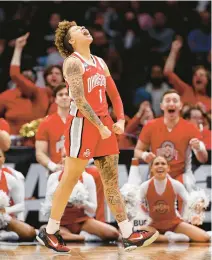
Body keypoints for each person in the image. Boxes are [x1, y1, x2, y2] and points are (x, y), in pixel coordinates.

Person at [36, 20, 158, 253]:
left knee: (111, 182)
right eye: (77, 30)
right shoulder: (72, 63)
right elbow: (79, 100)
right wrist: (99, 125)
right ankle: (50, 230)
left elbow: (114, 92)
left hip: (104, 125)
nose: (84, 29)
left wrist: (120, 119)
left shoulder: (100, 62)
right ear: (71, 41)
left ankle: (128, 233)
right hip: (82, 125)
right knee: (70, 178)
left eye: (83, 27)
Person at [36, 84, 106, 222]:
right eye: (60, 94)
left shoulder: (84, 120)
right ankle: (55, 224)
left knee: (97, 174)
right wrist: (53, 167)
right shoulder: (46, 123)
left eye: (67, 94)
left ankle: (98, 221)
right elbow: (40, 153)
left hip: (80, 165)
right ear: (54, 99)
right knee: (56, 177)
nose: (64, 97)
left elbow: (94, 148)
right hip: (58, 167)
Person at [134, 89, 208, 209]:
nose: (171, 103)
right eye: (167, 100)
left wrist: (199, 148)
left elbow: (204, 158)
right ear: (162, 106)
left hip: (181, 175)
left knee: (184, 185)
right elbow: (137, 151)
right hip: (157, 174)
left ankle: (184, 223)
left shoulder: (190, 128)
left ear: (180, 106)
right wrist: (144, 155)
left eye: (175, 100)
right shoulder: (150, 126)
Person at [0, 33, 64, 137]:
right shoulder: (37, 92)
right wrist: (18, 48)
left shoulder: (69, 97)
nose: (54, 76)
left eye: (57, 73)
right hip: (34, 142)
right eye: (50, 73)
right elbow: (15, 74)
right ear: (45, 78)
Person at [139, 156, 210, 243]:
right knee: (136, 234)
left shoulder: (175, 184)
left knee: (205, 238)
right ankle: (173, 238)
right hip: (153, 225)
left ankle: (163, 238)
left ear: (168, 168)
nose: (160, 166)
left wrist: (197, 205)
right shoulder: (144, 186)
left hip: (174, 224)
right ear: (151, 169)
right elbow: (135, 204)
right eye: (156, 164)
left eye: (163, 163)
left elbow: (189, 201)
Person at [41, 168, 119, 242]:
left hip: (81, 221)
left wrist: (80, 202)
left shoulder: (87, 177)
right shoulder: (54, 177)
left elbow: (92, 210)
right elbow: (47, 209)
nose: (68, 159)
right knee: (44, 231)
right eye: (64, 156)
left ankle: (70, 237)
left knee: (113, 234)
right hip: (61, 223)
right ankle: (84, 237)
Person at [164, 39, 211, 112]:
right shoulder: (186, 90)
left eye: (202, 75)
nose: (198, 77)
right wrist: (174, 51)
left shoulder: (210, 102)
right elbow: (168, 72)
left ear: (207, 80)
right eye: (195, 75)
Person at [0, 149, 36, 241]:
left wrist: (6, 210)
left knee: (29, 233)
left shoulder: (11, 178)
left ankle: (3, 234)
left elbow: (21, 205)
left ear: (3, 159)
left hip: (3, 217)